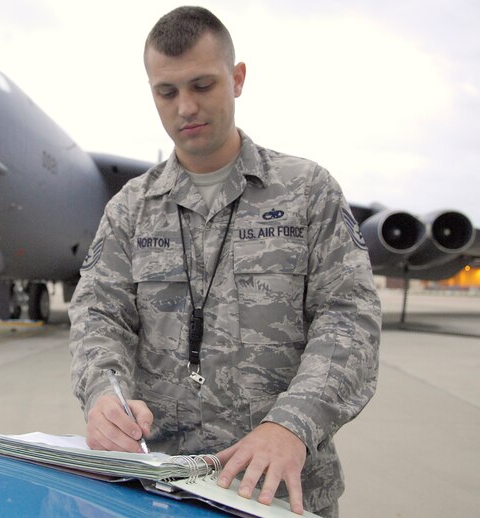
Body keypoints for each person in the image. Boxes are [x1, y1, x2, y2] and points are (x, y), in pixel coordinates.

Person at [68, 6, 381, 517]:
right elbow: (99, 315)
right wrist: (105, 394)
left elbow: (350, 318)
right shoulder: (130, 208)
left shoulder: (307, 191)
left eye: (202, 85)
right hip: (160, 485)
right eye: (166, 92)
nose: (186, 107)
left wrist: (291, 424)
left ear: (237, 79)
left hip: (280, 491)